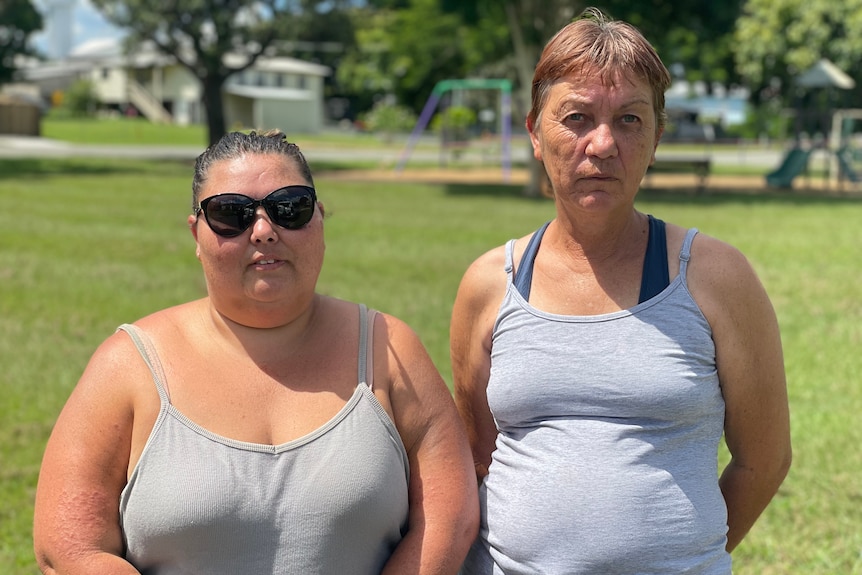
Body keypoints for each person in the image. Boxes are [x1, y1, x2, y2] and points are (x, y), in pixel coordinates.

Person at [33, 130, 478, 574]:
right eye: (231, 214)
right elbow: (69, 547)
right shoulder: (127, 365)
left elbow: (448, 517)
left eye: (290, 208)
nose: (264, 231)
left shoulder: (390, 348)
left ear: (320, 217)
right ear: (197, 233)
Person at [451, 8, 791, 574]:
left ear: (656, 137)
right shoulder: (490, 284)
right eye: (577, 117)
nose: (603, 143)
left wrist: (684, 557)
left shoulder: (715, 276)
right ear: (536, 132)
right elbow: (479, 454)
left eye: (630, 120)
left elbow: (764, 459)